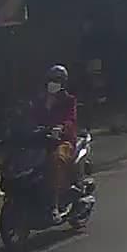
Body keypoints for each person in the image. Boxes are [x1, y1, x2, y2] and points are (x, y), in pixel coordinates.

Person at [31, 64, 77, 222]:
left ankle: (54, 205)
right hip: (43, 139)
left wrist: (61, 127)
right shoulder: (40, 100)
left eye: (57, 81)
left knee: (55, 160)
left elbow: (71, 120)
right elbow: (31, 117)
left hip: (63, 141)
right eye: (52, 80)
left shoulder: (69, 100)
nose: (53, 83)